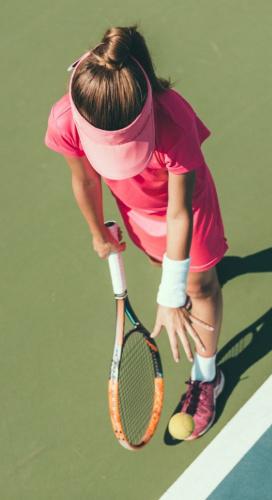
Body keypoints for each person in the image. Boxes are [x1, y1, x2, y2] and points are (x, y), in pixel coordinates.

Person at [43, 25, 227, 441]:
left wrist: (172, 292)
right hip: (136, 212)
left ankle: (206, 377)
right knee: (168, 266)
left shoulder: (173, 121)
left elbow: (181, 213)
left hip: (185, 209)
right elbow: (87, 180)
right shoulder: (65, 120)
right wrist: (96, 231)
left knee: (199, 285)